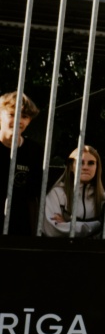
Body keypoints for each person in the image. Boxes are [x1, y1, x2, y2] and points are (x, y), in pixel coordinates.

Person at [0, 91, 43, 235]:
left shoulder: (34, 151)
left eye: (24, 116)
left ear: (29, 121)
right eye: (12, 114)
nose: (19, 120)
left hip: (19, 226)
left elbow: (34, 195)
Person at [42, 143, 105, 238]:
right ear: (71, 166)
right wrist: (97, 225)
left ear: (97, 167)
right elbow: (52, 230)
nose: (85, 167)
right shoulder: (57, 193)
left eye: (91, 163)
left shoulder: (104, 198)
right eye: (80, 162)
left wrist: (67, 224)